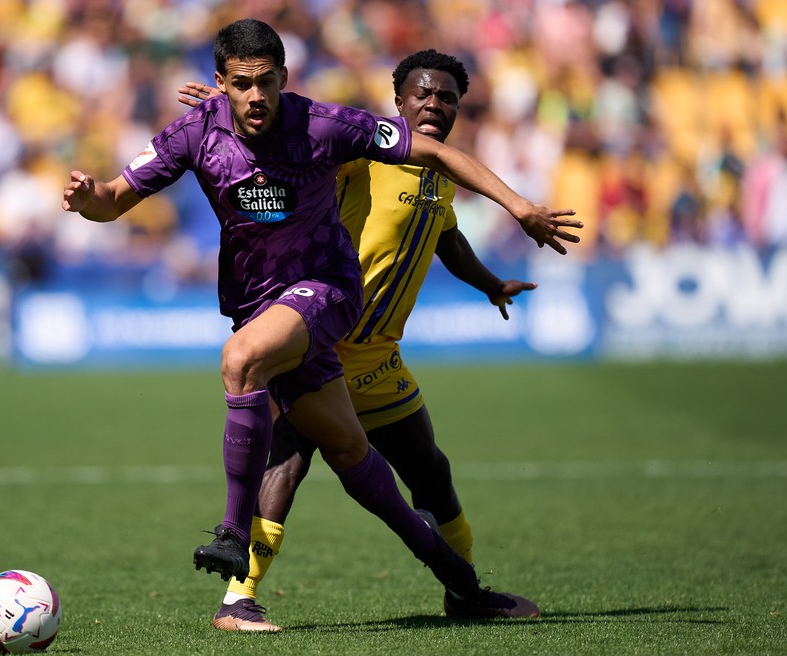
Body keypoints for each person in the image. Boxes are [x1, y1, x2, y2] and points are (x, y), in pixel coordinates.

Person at [61, 18, 582, 625]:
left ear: (284, 76)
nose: (256, 96)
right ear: (221, 83)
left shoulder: (326, 126)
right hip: (261, 305)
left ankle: (230, 531)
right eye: (241, 85)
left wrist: (519, 207)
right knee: (363, 469)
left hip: (327, 291)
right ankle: (463, 587)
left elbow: (434, 154)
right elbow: (112, 199)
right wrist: (87, 196)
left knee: (240, 360)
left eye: (266, 82)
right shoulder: (194, 131)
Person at [177, 50, 546, 632]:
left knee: (430, 472)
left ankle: (464, 591)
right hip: (321, 338)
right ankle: (236, 599)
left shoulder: (438, 175)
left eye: (446, 97)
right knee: (286, 466)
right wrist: (231, 121)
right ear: (397, 101)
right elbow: (285, 169)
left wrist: (490, 284)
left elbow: (445, 236)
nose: (434, 104)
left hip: (380, 358)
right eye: (422, 94)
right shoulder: (360, 154)